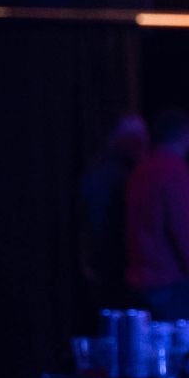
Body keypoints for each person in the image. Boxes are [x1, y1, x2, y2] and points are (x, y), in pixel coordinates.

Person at [122, 107, 189, 325]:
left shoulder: (140, 170)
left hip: (142, 283)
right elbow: (188, 231)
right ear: (187, 135)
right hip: (176, 288)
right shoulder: (174, 171)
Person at [77, 112, 147, 314]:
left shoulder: (132, 174)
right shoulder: (108, 177)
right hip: (112, 266)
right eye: (136, 140)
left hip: (121, 268)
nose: (143, 146)